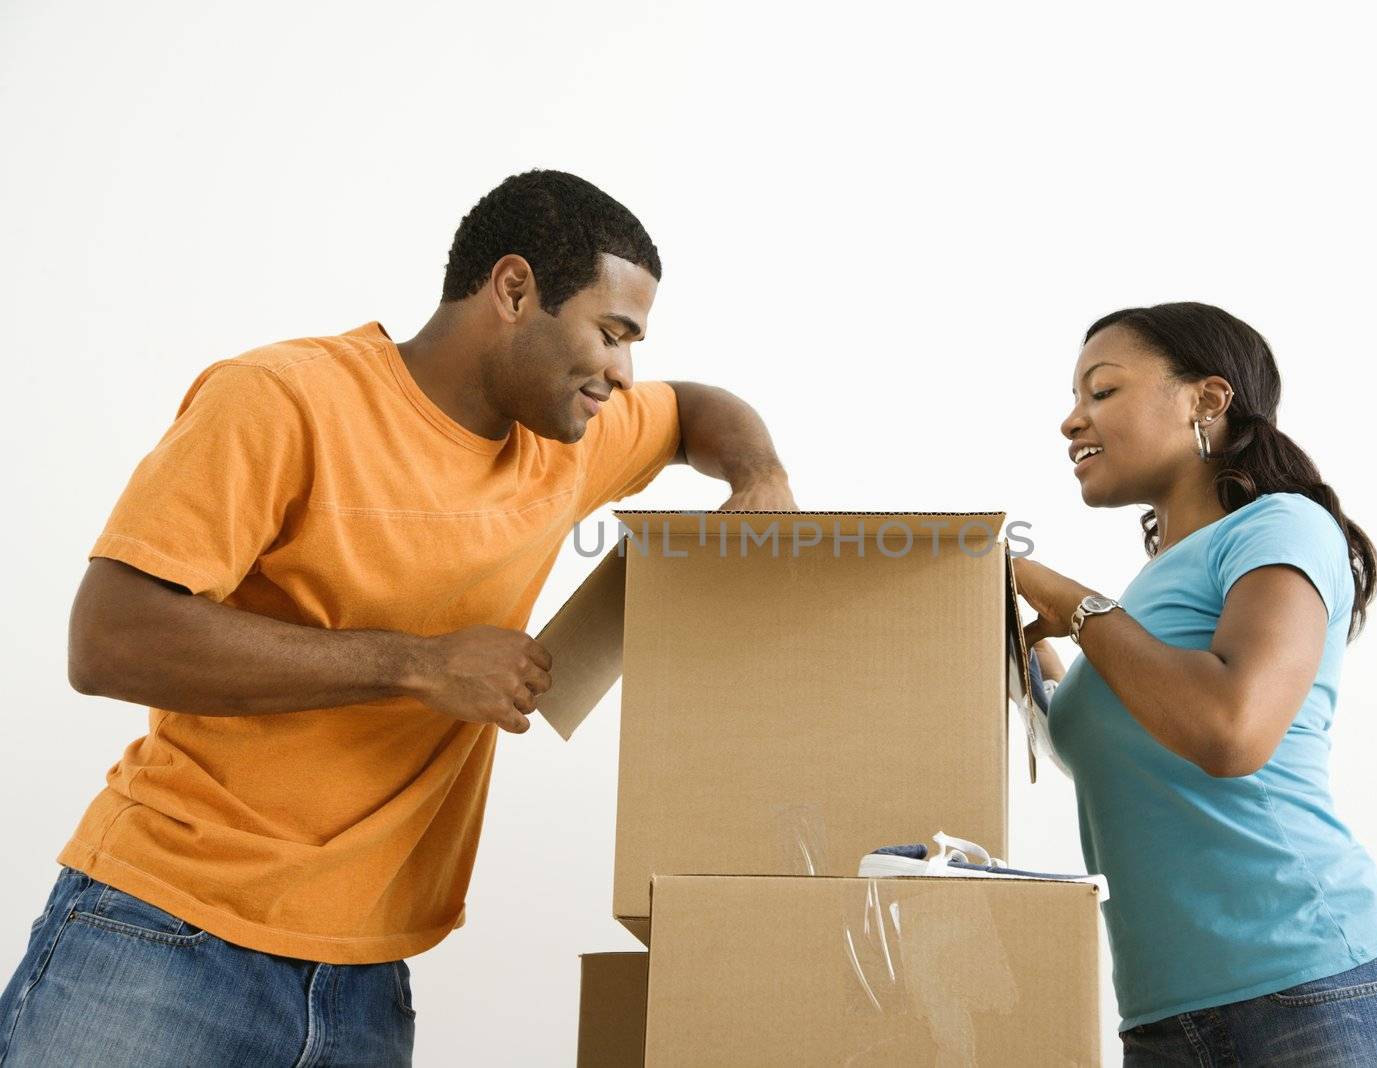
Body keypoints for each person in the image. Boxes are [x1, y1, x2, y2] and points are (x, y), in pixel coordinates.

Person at [0, 168, 794, 1066]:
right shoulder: (284, 399)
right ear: (513, 289)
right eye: (611, 334)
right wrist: (418, 664)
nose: (623, 371)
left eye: (634, 343)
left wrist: (758, 475)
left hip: (368, 984)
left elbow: (695, 411)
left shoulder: (564, 440)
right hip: (163, 938)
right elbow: (108, 639)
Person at [1013, 303, 1377, 1067]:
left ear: (1208, 400)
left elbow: (1230, 730)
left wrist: (1066, 598)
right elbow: (1127, 736)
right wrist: (1009, 644)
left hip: (1320, 997)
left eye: (1102, 391)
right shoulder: (1155, 589)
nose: (1070, 420)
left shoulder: (1280, 527)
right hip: (1165, 1024)